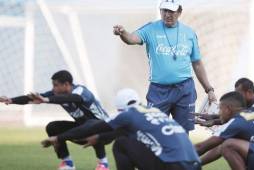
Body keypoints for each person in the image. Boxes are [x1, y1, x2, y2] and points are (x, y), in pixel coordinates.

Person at [113, 0, 216, 132]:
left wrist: (209, 89)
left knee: (182, 133)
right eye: (164, 10)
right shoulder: (151, 29)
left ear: (179, 12)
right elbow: (131, 39)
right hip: (158, 91)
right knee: (154, 130)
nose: (167, 14)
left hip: (184, 90)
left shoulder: (189, 33)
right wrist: (123, 33)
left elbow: (197, 63)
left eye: (171, 11)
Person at [41, 88, 201, 170]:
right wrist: (99, 138)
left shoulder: (129, 114)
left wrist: (59, 138)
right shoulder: (153, 112)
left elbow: (93, 126)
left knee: (121, 144)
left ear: (120, 109)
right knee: (132, 140)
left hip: (173, 166)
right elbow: (127, 131)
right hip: (194, 165)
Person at [0, 70, 110, 170]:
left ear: (66, 84)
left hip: (106, 132)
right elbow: (35, 98)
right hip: (82, 131)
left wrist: (46, 100)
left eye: (56, 85)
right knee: (53, 127)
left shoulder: (81, 91)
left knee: (93, 125)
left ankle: (103, 164)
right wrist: (11, 100)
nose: (53, 89)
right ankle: (67, 163)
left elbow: (72, 98)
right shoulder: (57, 94)